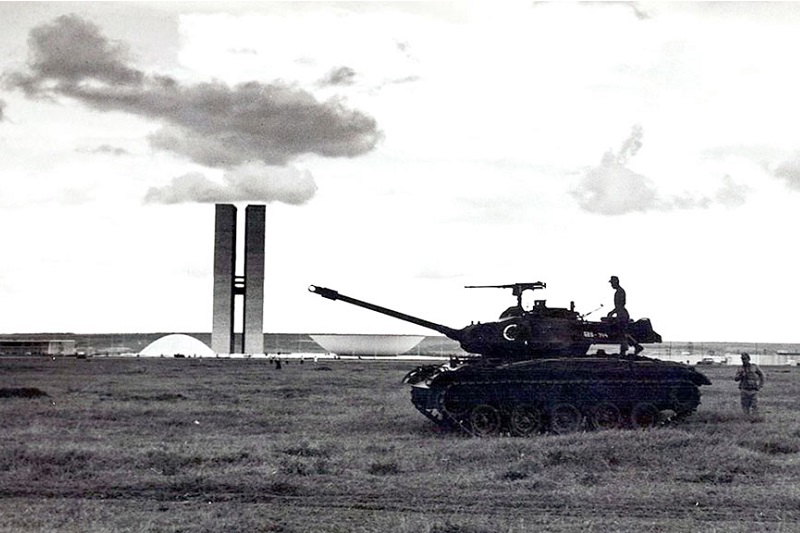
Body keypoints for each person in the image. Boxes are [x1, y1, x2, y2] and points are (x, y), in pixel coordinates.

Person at [606, 276, 643, 356]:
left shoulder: (620, 292)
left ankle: (625, 350)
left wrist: (612, 312)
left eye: (612, 283)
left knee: (622, 333)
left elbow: (620, 305)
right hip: (621, 314)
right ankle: (635, 346)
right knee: (623, 333)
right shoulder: (619, 291)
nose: (611, 285)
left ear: (616, 282)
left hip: (622, 315)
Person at [734, 352, 765, 418]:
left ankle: (755, 419)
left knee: (755, 406)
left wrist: (760, 386)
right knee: (745, 406)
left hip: (753, 389)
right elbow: (736, 379)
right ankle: (746, 419)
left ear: (749, 359)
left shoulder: (754, 367)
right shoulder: (740, 368)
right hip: (744, 389)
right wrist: (741, 375)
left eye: (745, 359)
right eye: (742, 359)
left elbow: (762, 376)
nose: (744, 361)